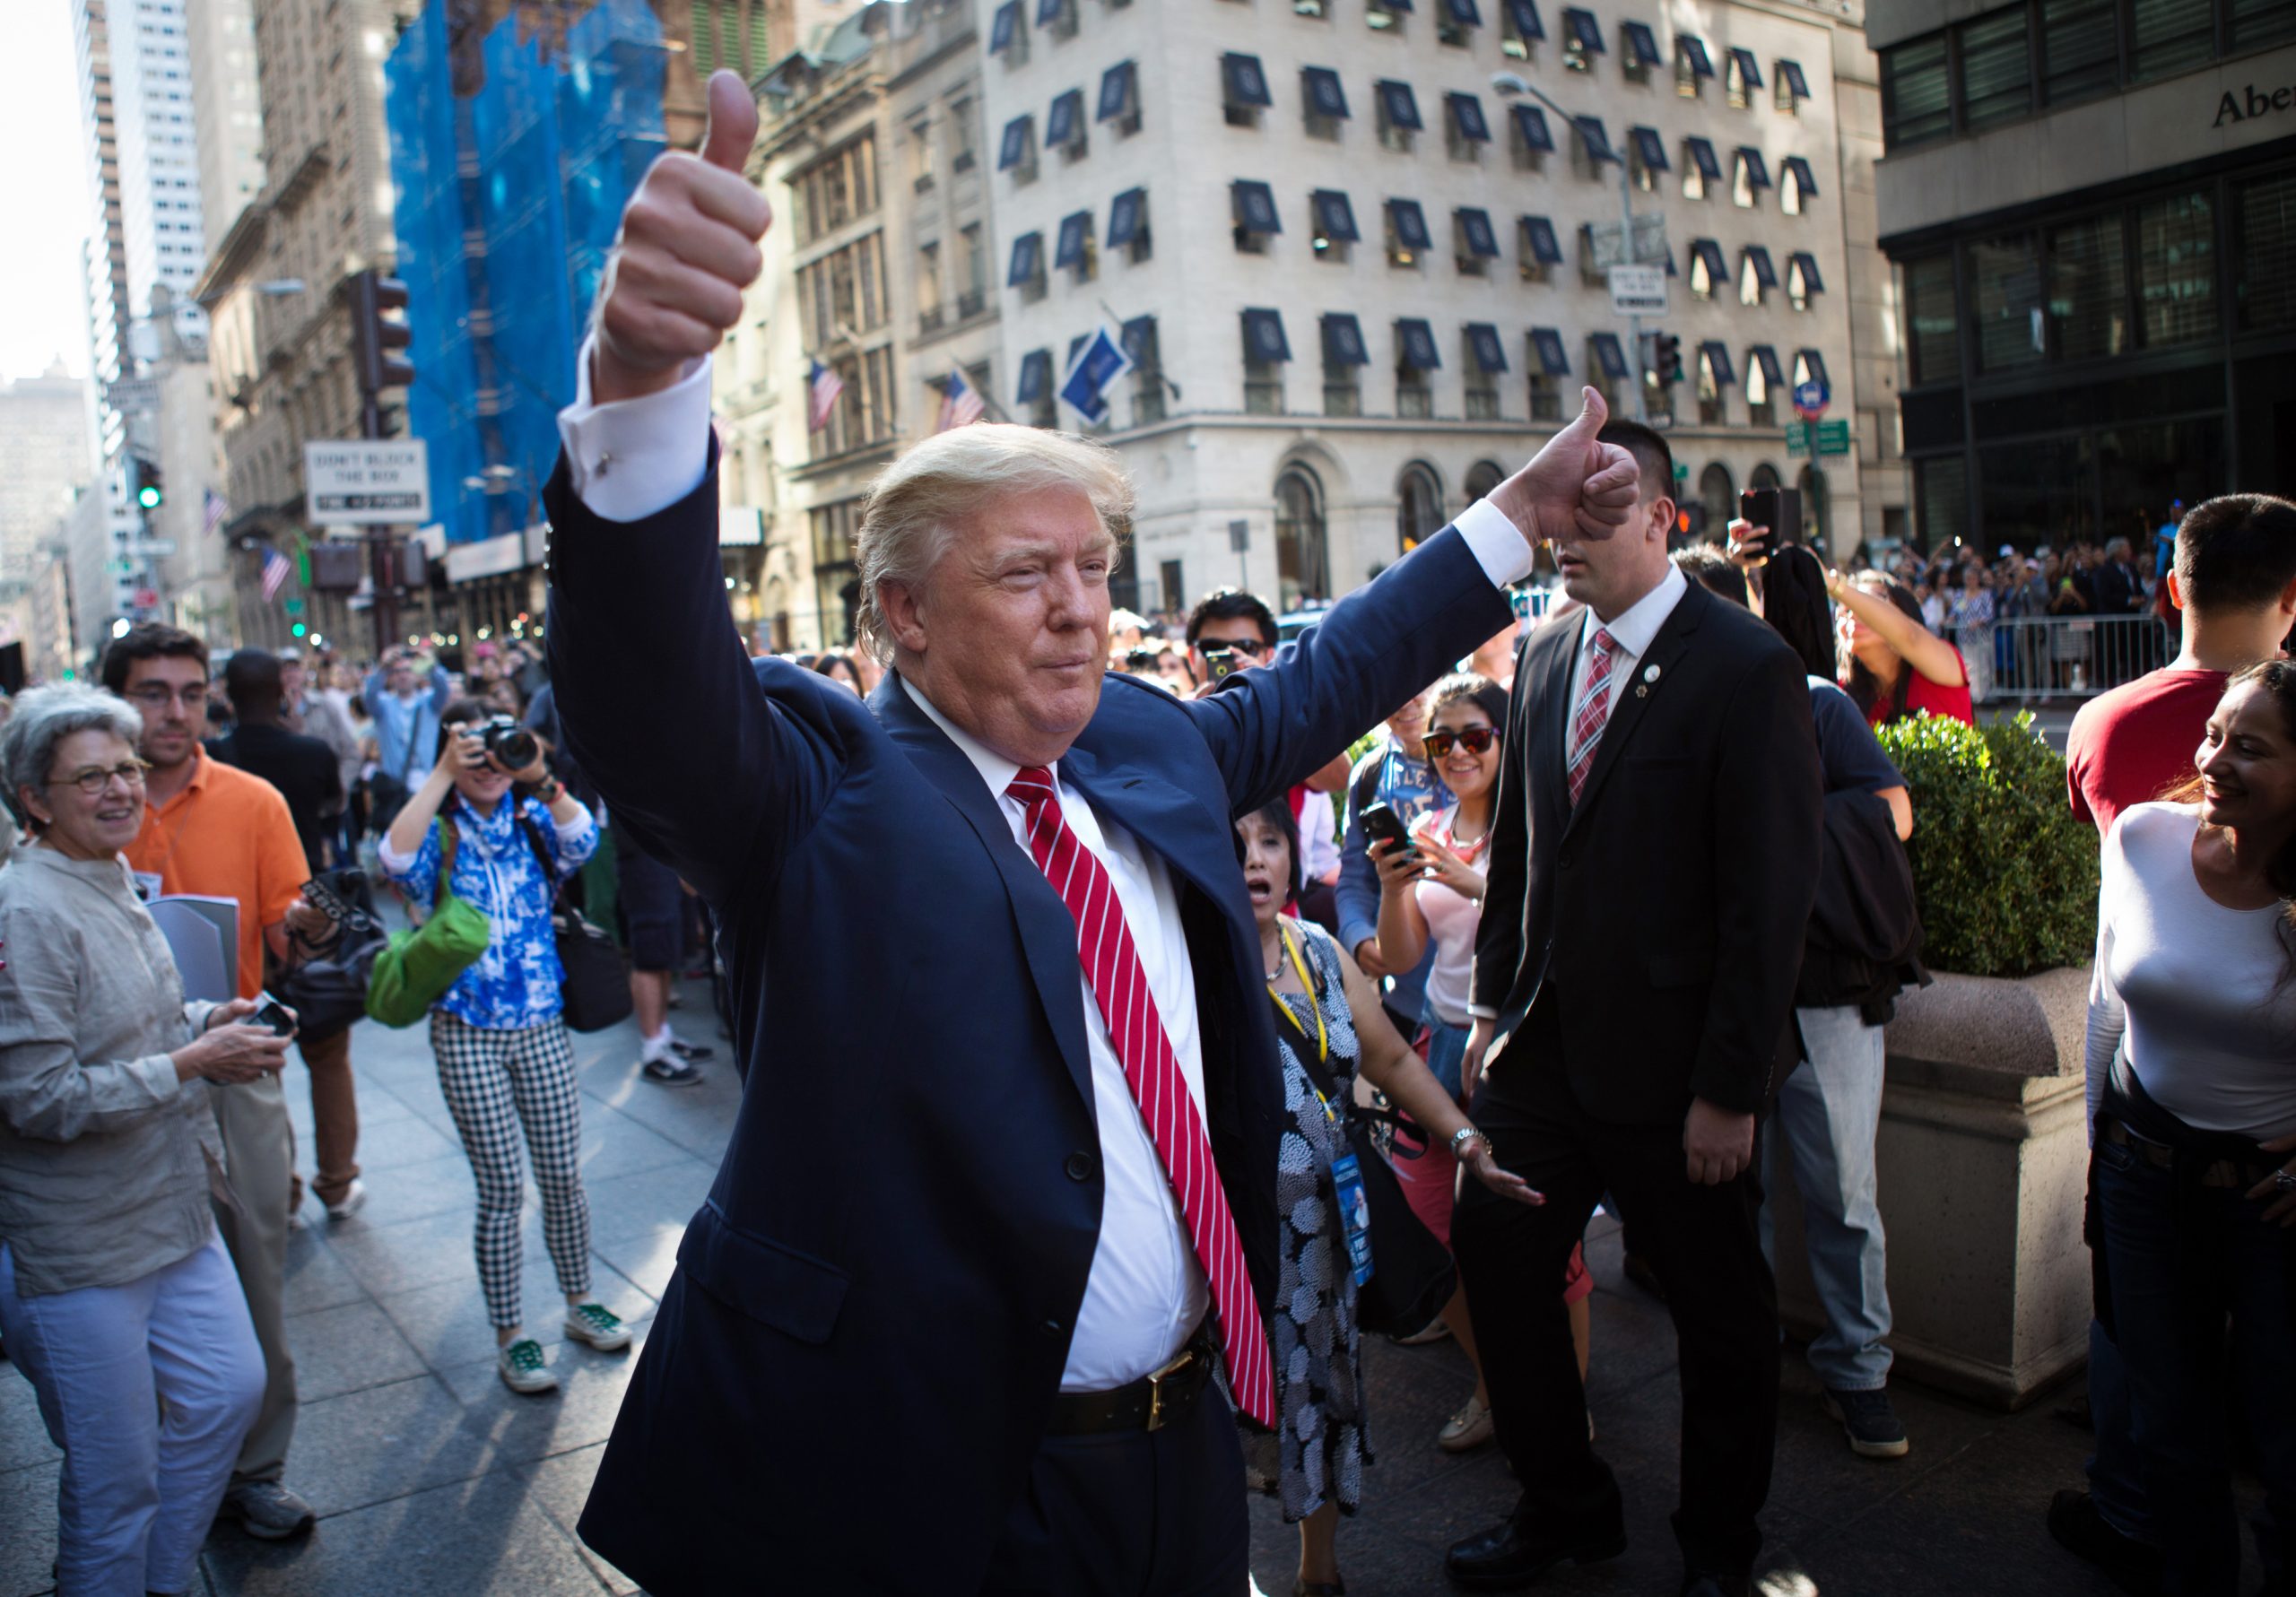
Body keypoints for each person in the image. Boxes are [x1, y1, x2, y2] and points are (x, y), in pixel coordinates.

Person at [544, 69, 1638, 1596]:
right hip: (936, 1479)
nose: (1079, 606)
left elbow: (1338, 670)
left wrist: (1515, 517)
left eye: (1094, 566)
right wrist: (647, 389)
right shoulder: (818, 791)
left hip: (1183, 1448)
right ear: (904, 618)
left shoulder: (1148, 739)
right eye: (1023, 574)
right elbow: (648, 708)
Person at [1446, 420, 1822, 1597]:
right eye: (1561, 508)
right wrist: (1485, 1012)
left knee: (1718, 1317)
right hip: (1542, 1056)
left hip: (1678, 1073)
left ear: (1667, 519)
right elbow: (1517, 859)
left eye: (1601, 506)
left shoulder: (1745, 665)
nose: (1567, 532)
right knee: (1497, 1262)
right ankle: (1564, 1505)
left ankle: (1720, 1547)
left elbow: (1769, 901)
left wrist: (1727, 1089)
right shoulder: (1546, 655)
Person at [2052, 493, 2296, 1591]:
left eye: (2251, 746)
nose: (2215, 757)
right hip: (2147, 1174)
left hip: (2272, 1198)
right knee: (2170, 1432)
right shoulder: (2144, 836)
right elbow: (2108, 997)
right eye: (2213, 738)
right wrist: (2104, 1156)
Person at [0, 684, 288, 1597]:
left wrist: (212, 1018)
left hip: (171, 1205)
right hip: (79, 1243)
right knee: (114, 1477)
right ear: (35, 798)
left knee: (229, 1391)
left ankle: (162, 1578)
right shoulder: (26, 909)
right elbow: (36, 1097)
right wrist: (196, 1060)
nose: (123, 787)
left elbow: (140, 1022)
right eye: (92, 776)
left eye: (126, 768)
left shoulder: (107, 873)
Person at [1236, 795, 1538, 1597]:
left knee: (1321, 1395)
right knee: (1220, 1409)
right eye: (1236, 844)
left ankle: (1318, 1573)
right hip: (1227, 1245)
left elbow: (1396, 1062)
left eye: (1271, 840)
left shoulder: (1319, 951)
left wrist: (1466, 1138)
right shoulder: (1190, 959)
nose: (1257, 858)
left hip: (1322, 1244)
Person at [1686, 542, 1920, 1460]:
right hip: (1717, 995)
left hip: (1822, 993)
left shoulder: (1813, 700)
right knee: (1731, 1192)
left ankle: (1858, 1368)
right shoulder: (1670, 713)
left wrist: (1771, 834)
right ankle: (1754, 1349)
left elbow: (1892, 807)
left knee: (1839, 1190)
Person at [105, 623, 333, 1541]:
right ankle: (152, 1465)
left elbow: (291, 935)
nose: (175, 711)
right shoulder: (82, 806)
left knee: (255, 1276)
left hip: (234, 1063)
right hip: (116, 1074)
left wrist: (315, 925)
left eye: (191, 692)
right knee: (126, 1288)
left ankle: (256, 1469)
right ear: (116, 697)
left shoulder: (253, 799)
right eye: (153, 692)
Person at [1370, 672, 1593, 1455]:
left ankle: (1566, 1396)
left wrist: (1479, 883)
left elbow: (1565, 923)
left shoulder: (1536, 824)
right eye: (1443, 740)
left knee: (1536, 1229)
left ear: (1506, 737)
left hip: (1523, 1047)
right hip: (1438, 1035)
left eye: (1476, 736)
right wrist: (1397, 887)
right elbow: (1400, 957)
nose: (1458, 753)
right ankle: (1498, 1381)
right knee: (1434, 1221)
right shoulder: (1427, 826)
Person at [379, 700, 627, 1394]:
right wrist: (439, 774)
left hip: (543, 1023)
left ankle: (580, 1303)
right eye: (472, 751)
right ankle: (511, 1334)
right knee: (500, 1190)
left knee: (562, 1176)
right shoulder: (439, 829)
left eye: (497, 747)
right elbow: (394, 859)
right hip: (465, 1031)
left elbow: (586, 838)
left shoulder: (531, 816)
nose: (488, 764)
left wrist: (540, 775)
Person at [204, 649, 366, 1227]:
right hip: (307, 920)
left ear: (223, 692)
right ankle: (338, 1181)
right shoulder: (310, 751)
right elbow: (333, 806)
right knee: (327, 1056)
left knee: (261, 1064)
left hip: (246, 927)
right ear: (282, 690)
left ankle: (287, 1188)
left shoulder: (217, 758)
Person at [1339, 691, 1452, 1043]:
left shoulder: (1470, 764)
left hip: (1469, 1002)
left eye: (1422, 686)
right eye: (1398, 687)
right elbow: (1355, 877)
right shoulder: (1369, 775)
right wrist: (1357, 935)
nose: (1407, 702)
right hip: (1401, 1000)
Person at [1832, 570, 1975, 727]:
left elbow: (1911, 637)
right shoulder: (1837, 692)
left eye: (1870, 602)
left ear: (1904, 613)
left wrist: (1835, 586)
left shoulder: (1941, 668)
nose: (1855, 614)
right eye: (1846, 609)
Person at [277, 647, 359, 863]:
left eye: (295, 668)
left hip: (332, 811)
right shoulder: (272, 715)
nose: (291, 674)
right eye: (285, 669)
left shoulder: (325, 706)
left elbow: (351, 753)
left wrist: (340, 787)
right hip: (294, 814)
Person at [362, 647, 452, 825]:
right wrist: (382, 668)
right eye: (396, 672)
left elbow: (444, 690)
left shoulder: (429, 703)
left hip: (425, 784)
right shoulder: (384, 706)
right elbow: (369, 697)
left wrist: (430, 665)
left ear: (416, 674)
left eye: (408, 671)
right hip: (395, 788)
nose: (402, 676)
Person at [1186, 586, 1278, 688]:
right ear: (1192, 658)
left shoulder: (1287, 703)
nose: (1230, 660)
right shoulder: (1177, 704)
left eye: (1246, 647)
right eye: (1213, 647)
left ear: (1269, 658)